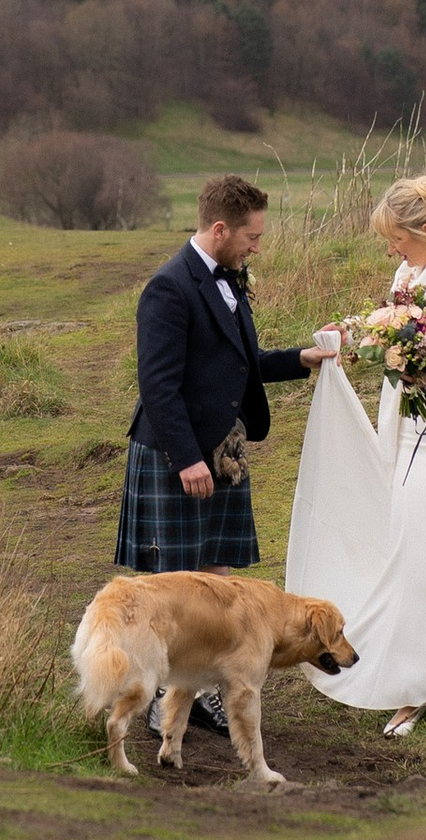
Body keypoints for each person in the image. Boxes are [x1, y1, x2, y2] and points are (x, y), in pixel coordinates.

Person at [284, 171, 426, 733]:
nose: (391, 251)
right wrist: (352, 335)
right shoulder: (408, 276)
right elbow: (392, 329)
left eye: (396, 239)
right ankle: (413, 687)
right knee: (413, 560)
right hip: (419, 437)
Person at [116, 172, 339, 734]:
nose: (255, 247)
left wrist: (302, 359)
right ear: (220, 229)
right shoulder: (169, 288)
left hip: (227, 453)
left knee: (218, 584)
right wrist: (187, 458)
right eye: (251, 237)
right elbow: (158, 385)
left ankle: (203, 694)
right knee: (174, 587)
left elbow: (241, 362)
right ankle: (158, 700)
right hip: (181, 454)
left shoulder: (229, 280)